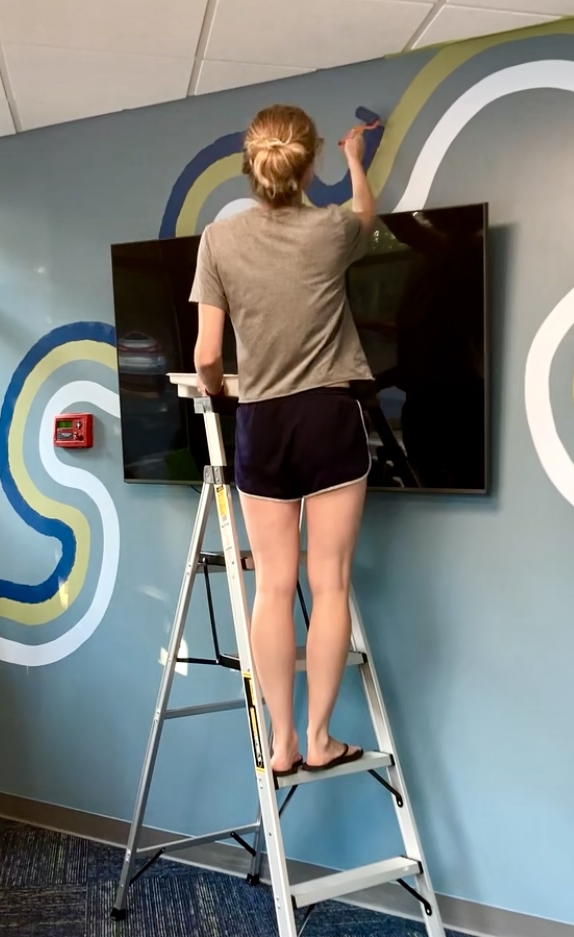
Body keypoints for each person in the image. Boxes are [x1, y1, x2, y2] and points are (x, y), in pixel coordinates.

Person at [189, 104, 377, 776]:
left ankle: (282, 742)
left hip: (261, 422)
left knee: (272, 585)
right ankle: (321, 739)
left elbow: (207, 355)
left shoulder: (218, 239)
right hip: (327, 418)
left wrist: (218, 388)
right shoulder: (331, 229)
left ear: (250, 161)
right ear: (309, 161)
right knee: (330, 585)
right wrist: (355, 162)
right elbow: (366, 214)